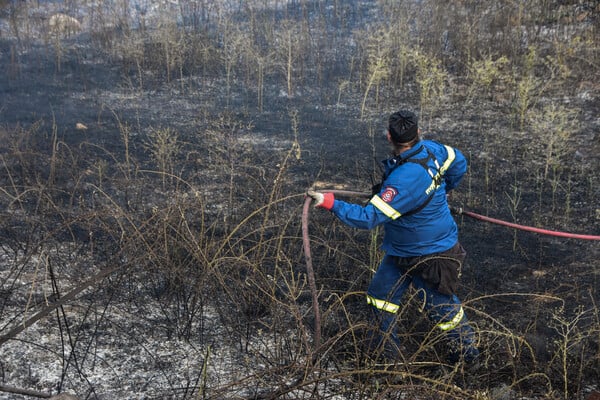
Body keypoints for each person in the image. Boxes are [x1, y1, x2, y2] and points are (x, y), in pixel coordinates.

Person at [307, 110, 479, 365]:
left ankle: (468, 356)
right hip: (402, 249)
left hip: (431, 253)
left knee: (442, 308)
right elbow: (459, 160)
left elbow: (368, 217)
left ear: (389, 136)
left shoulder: (402, 181)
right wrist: (444, 187)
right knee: (380, 296)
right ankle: (387, 358)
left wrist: (330, 203)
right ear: (418, 133)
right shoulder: (433, 150)